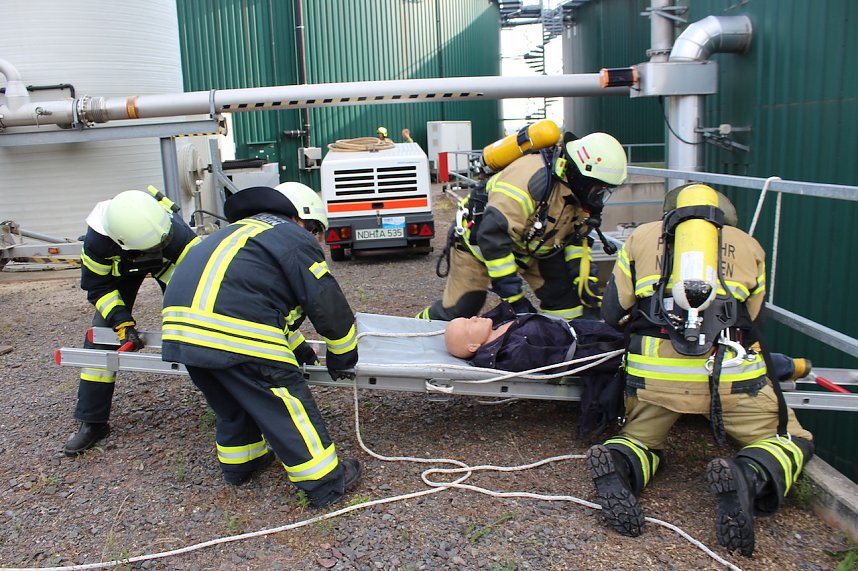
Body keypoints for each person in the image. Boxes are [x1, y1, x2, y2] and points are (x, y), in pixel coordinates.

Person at [587, 183, 813, 557]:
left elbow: (613, 314)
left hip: (654, 376)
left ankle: (622, 462)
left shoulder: (641, 237)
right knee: (793, 439)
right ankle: (749, 475)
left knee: (640, 438)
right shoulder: (750, 246)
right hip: (731, 378)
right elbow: (753, 321)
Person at [160, 183, 363, 508]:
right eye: (318, 232)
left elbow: (254, 301)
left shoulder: (235, 234)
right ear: (303, 219)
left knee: (232, 404)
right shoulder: (291, 236)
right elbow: (326, 302)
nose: (319, 241)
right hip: (234, 331)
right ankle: (325, 483)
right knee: (285, 403)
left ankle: (242, 464)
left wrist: (299, 348)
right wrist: (342, 354)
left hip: (181, 333)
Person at [416, 131, 628, 322]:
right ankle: (416, 329)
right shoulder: (529, 179)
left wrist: (584, 279)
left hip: (530, 246)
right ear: (581, 175)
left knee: (567, 302)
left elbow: (574, 239)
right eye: (598, 189)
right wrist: (513, 298)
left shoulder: (580, 194)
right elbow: (492, 235)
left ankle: (562, 349)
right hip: (478, 243)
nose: (599, 196)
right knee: (461, 309)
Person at [65, 187, 201, 456]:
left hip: (167, 263)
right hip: (120, 272)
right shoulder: (98, 243)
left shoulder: (176, 233)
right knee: (100, 338)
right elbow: (98, 287)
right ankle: (92, 421)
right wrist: (121, 322)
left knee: (196, 326)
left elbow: (198, 275)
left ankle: (228, 404)